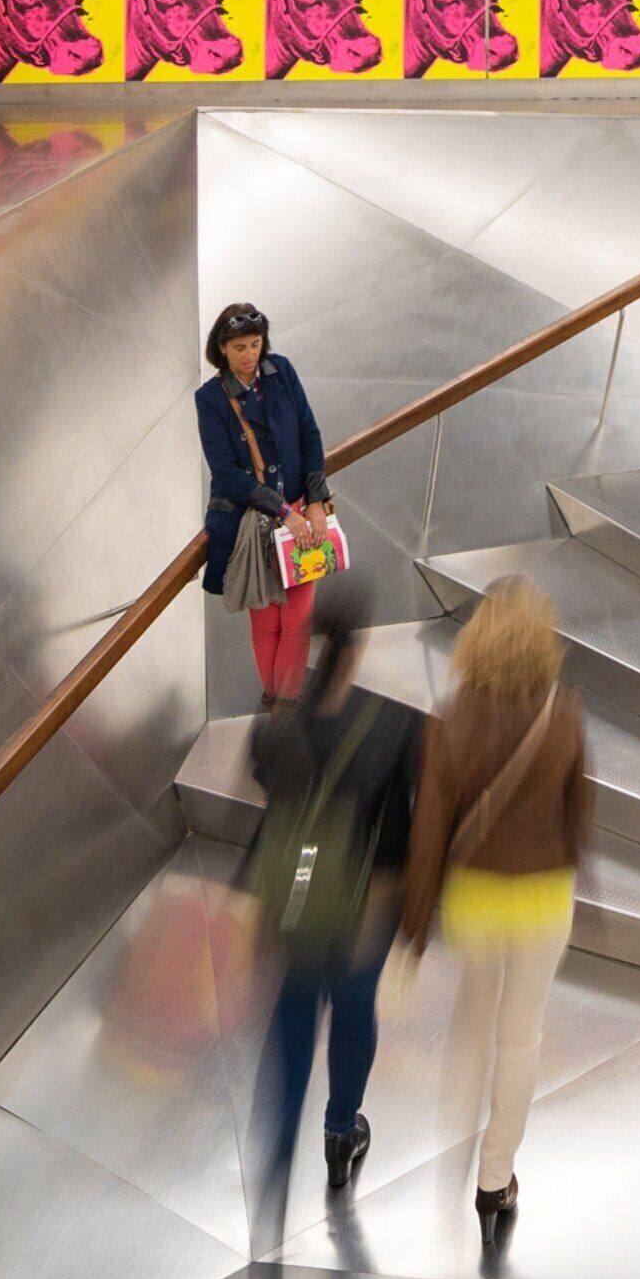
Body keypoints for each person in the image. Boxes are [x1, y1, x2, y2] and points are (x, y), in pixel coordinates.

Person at [398, 579, 592, 1234]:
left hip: (478, 897)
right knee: (522, 1037)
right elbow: (578, 812)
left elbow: (428, 833)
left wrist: (415, 930)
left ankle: (450, 1162)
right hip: (541, 900)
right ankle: (493, 1179)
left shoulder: (451, 719)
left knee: (472, 1021)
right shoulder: (562, 714)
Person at [245, 585, 419, 1223]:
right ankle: (340, 1134)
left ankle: (277, 1162)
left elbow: (270, 802)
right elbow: (404, 827)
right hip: (362, 907)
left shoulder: (282, 727)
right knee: (352, 1013)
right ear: (363, 644)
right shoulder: (396, 724)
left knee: (291, 1027)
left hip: (295, 902)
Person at [198, 301, 335, 703]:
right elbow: (225, 473)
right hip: (254, 521)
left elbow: (309, 435)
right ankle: (278, 710)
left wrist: (314, 501)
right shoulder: (210, 399)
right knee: (267, 621)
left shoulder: (282, 372)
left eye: (255, 344)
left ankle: (284, 711)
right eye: (239, 347)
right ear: (222, 348)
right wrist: (283, 511)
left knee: (297, 619)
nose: (249, 355)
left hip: (298, 513)